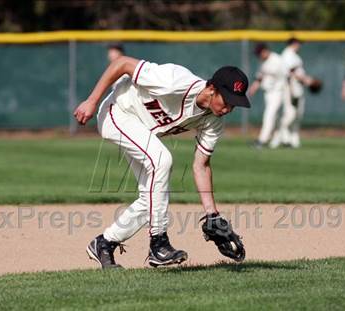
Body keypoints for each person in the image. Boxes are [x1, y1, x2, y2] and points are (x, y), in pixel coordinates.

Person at [74, 56, 249, 268]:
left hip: (139, 129)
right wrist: (92, 100)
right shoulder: (174, 81)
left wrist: (212, 214)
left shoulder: (213, 122)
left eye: (235, 104)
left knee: (151, 199)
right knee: (162, 160)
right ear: (211, 89)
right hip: (117, 112)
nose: (229, 108)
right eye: (227, 100)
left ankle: (104, 243)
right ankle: (159, 244)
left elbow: (201, 165)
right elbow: (122, 64)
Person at [272, 38, 315, 148]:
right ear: (293, 44)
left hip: (297, 87)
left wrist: (306, 80)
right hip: (291, 88)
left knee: (298, 115)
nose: (299, 45)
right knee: (290, 114)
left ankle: (293, 139)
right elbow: (290, 74)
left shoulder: (294, 55)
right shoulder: (288, 55)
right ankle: (280, 136)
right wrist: (306, 81)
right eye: (298, 43)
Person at [248, 42, 289, 148]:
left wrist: (289, 93)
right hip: (268, 93)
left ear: (265, 51)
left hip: (278, 91)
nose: (258, 56)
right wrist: (252, 89)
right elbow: (259, 78)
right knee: (275, 117)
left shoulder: (277, 60)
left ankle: (262, 139)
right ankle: (282, 139)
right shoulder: (263, 62)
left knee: (269, 115)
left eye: (259, 53)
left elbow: (287, 76)